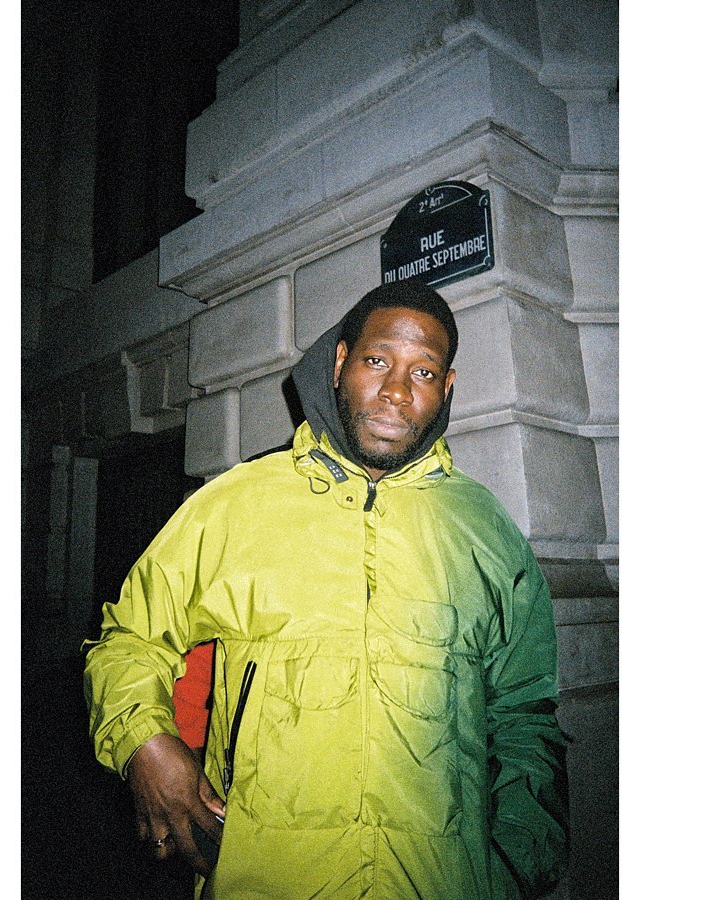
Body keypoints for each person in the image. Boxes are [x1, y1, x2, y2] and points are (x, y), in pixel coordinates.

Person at [84, 279, 568, 899]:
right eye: (377, 361)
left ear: (446, 388)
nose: (397, 390)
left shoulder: (486, 532)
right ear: (340, 364)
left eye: (423, 372)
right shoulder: (236, 505)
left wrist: (517, 867)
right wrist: (146, 745)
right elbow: (129, 639)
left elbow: (526, 715)